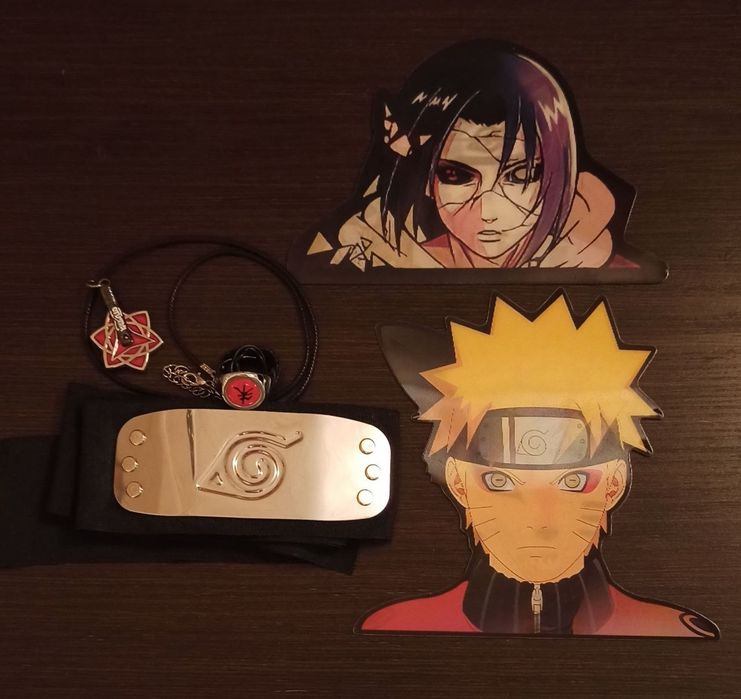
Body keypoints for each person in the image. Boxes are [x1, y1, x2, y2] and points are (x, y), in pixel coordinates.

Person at [361, 294, 718, 637]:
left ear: (615, 482)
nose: (539, 521)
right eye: (499, 481)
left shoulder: (668, 631)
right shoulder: (400, 629)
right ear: (456, 481)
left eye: (574, 482)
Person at [298, 40, 640, 272]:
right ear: (426, 180)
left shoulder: (599, 261)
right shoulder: (373, 252)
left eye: (520, 175)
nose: (488, 212)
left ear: (556, 174)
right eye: (456, 175)